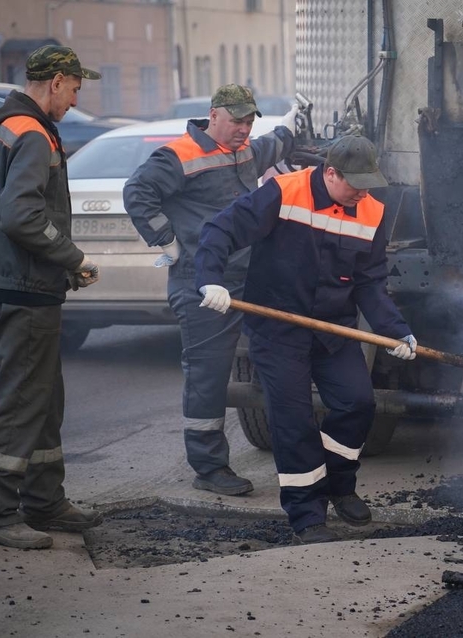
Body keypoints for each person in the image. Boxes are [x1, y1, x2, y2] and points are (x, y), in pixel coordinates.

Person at [194, 135, 417, 544]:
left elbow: (370, 283)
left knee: (358, 403)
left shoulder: (372, 211)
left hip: (333, 330)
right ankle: (306, 515)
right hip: (279, 331)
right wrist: (210, 279)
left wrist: (395, 330)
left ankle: (339, 485)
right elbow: (221, 229)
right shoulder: (283, 192)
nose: (363, 192)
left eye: (369, 183)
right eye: (355, 183)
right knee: (292, 420)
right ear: (329, 173)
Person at [123, 85, 298, 497]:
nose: (244, 129)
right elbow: (137, 193)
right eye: (236, 120)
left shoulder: (243, 149)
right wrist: (166, 239)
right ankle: (209, 467)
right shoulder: (179, 155)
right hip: (203, 283)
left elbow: (268, 147)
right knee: (208, 376)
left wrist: (291, 128)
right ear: (213, 115)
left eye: (250, 120)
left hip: (247, 276)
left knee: (283, 358)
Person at [0, 45, 105, 549]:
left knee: (45, 401)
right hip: (24, 290)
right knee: (24, 400)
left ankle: (45, 502)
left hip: (24, 283)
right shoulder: (30, 132)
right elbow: (21, 216)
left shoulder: (11, 125)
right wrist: (71, 259)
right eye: (74, 89)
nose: (75, 100)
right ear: (56, 82)